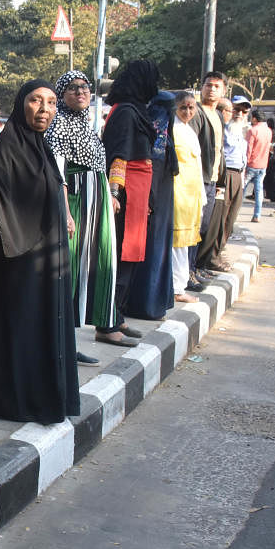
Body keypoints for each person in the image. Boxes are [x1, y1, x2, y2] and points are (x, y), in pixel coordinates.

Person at [0, 80, 79, 424]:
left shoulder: (41, 146)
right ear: (21, 105)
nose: (44, 108)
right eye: (35, 101)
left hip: (47, 252)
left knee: (45, 323)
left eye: (50, 102)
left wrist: (66, 215)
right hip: (18, 255)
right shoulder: (8, 145)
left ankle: (44, 393)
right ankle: (14, 400)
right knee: (21, 323)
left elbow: (52, 185)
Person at [44, 70, 113, 365]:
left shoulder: (86, 124)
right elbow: (57, 173)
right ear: (62, 94)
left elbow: (97, 166)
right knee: (70, 272)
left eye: (85, 87)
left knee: (93, 267)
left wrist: (108, 196)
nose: (81, 92)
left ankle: (70, 341)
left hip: (95, 203)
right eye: (72, 88)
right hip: (76, 204)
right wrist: (66, 212)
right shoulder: (59, 124)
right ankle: (60, 345)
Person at [98, 60, 163, 346]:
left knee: (132, 257)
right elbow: (118, 155)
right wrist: (114, 192)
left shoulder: (136, 111)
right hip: (125, 192)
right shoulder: (125, 112)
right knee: (120, 258)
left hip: (139, 191)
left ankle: (118, 315)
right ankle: (107, 324)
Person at [124, 90, 178, 320]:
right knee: (146, 251)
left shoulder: (167, 143)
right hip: (148, 205)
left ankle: (154, 302)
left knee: (158, 248)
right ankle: (142, 304)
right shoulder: (147, 140)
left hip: (162, 206)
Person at [201, 96, 248, 272]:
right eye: (236, 110)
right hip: (224, 175)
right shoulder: (222, 129)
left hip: (238, 176)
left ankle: (218, 252)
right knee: (218, 219)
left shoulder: (242, 131)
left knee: (230, 219)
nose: (239, 114)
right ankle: (210, 257)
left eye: (244, 111)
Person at [171, 92, 207, 302]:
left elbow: (197, 166)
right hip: (178, 194)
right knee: (177, 243)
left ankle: (180, 285)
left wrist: (201, 196)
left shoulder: (190, 132)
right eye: (183, 107)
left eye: (192, 108)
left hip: (192, 195)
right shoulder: (173, 130)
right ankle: (177, 288)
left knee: (185, 244)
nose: (188, 112)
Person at [190, 72, 227, 273]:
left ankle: (197, 266)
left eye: (216, 86)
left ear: (223, 91)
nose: (211, 89)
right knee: (194, 227)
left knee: (205, 226)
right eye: (208, 85)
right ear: (201, 87)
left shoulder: (218, 115)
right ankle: (189, 270)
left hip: (212, 179)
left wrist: (221, 177)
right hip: (197, 179)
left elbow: (219, 149)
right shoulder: (195, 112)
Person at [243, 108, 272, 221]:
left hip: (251, 164)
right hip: (263, 164)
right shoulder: (268, 131)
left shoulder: (252, 130)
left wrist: (245, 163)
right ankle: (257, 215)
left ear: (254, 118)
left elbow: (248, 149)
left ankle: (234, 213)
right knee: (259, 190)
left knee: (242, 190)